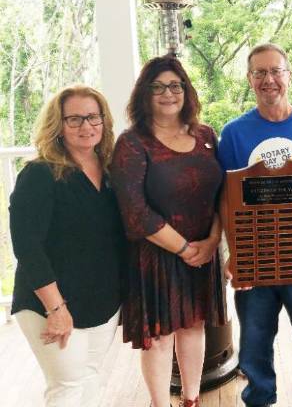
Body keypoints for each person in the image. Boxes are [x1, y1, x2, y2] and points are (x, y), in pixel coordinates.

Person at [217, 43, 292, 407]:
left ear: (289, 75)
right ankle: (259, 400)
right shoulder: (234, 133)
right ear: (250, 79)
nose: (269, 80)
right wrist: (234, 253)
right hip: (256, 257)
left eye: (276, 71)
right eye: (260, 73)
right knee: (254, 342)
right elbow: (225, 197)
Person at [111, 56, 226, 407]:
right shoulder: (132, 143)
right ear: (144, 94)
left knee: (194, 327)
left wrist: (212, 241)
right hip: (158, 254)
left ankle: (191, 399)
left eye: (175, 85)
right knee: (160, 338)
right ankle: (160, 403)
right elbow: (134, 211)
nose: (167, 93)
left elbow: (223, 194)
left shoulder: (206, 135)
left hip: (204, 250)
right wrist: (185, 249)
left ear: (186, 91)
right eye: (157, 86)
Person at [9, 85, 124, 407]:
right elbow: (27, 247)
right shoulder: (39, 174)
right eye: (74, 119)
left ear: (104, 121)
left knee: (88, 380)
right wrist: (56, 309)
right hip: (49, 304)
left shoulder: (112, 172)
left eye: (92, 117)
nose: (86, 126)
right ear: (57, 125)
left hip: (100, 303)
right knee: (67, 387)